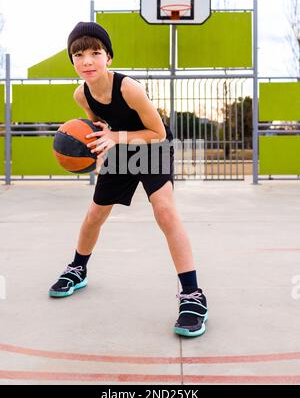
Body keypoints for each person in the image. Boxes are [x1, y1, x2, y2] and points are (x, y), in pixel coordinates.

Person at [49, 21, 208, 337]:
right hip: (120, 147)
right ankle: (77, 268)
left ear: (108, 56)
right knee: (95, 214)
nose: (87, 61)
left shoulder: (129, 88)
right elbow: (98, 130)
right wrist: (99, 151)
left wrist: (117, 139)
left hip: (151, 146)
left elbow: (158, 132)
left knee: (164, 212)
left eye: (95, 53)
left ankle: (193, 295)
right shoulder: (82, 94)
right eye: (78, 54)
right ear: (72, 60)